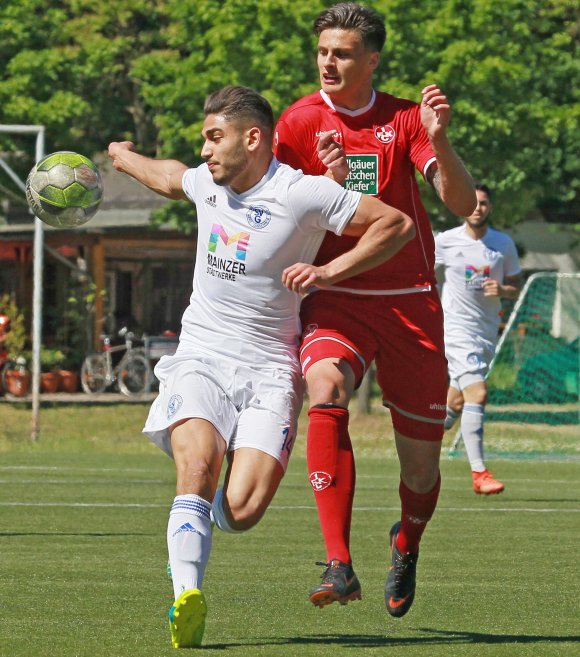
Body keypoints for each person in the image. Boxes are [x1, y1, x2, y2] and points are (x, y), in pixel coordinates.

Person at [108, 85, 415, 648]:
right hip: (201, 355)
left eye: (214, 137)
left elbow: (394, 224)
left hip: (270, 368)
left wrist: (329, 271)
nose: (204, 149)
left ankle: (206, 515)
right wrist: (124, 158)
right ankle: (186, 597)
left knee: (242, 510)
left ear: (252, 139)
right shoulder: (207, 182)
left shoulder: (303, 193)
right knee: (196, 465)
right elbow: (168, 176)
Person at [273, 2, 476, 617]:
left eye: (341, 53)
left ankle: (406, 540)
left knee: (420, 472)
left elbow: (461, 202)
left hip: (410, 303)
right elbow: (273, 208)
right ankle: (339, 563)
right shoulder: (298, 121)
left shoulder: (405, 119)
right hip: (335, 298)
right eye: (322, 51)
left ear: (372, 59)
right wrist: (325, 182)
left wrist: (439, 140)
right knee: (325, 386)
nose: (328, 63)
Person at [435, 183, 522, 494]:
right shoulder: (445, 241)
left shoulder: (503, 244)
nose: (477, 208)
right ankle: (479, 473)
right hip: (456, 330)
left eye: (483, 203)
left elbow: (516, 284)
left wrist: (504, 291)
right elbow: (419, 272)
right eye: (472, 202)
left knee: (456, 402)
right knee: (478, 394)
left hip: (486, 333)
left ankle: (421, 442)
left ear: (490, 207)